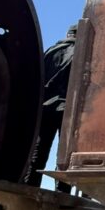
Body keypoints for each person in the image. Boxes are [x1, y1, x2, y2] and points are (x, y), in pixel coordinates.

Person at [26, 24, 77, 188]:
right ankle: (62, 191)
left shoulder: (50, 52)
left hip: (45, 108)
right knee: (65, 156)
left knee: (38, 151)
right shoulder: (80, 53)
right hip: (67, 110)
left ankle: (30, 185)